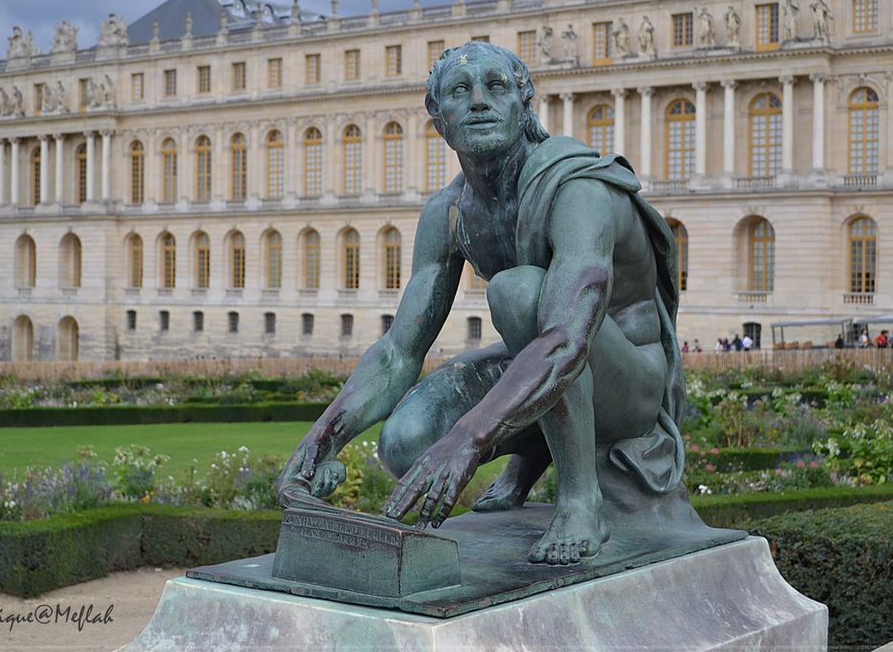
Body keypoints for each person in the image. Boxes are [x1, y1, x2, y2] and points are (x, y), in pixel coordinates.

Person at [277, 41, 686, 565]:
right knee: (406, 442)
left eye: (495, 87)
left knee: (517, 292)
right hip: (544, 352)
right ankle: (539, 444)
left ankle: (581, 500)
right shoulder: (448, 211)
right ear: (438, 117)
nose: (478, 101)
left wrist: (468, 439)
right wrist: (323, 437)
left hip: (628, 385)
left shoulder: (576, 189)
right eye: (459, 92)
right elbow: (400, 351)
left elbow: (566, 338)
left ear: (523, 101)